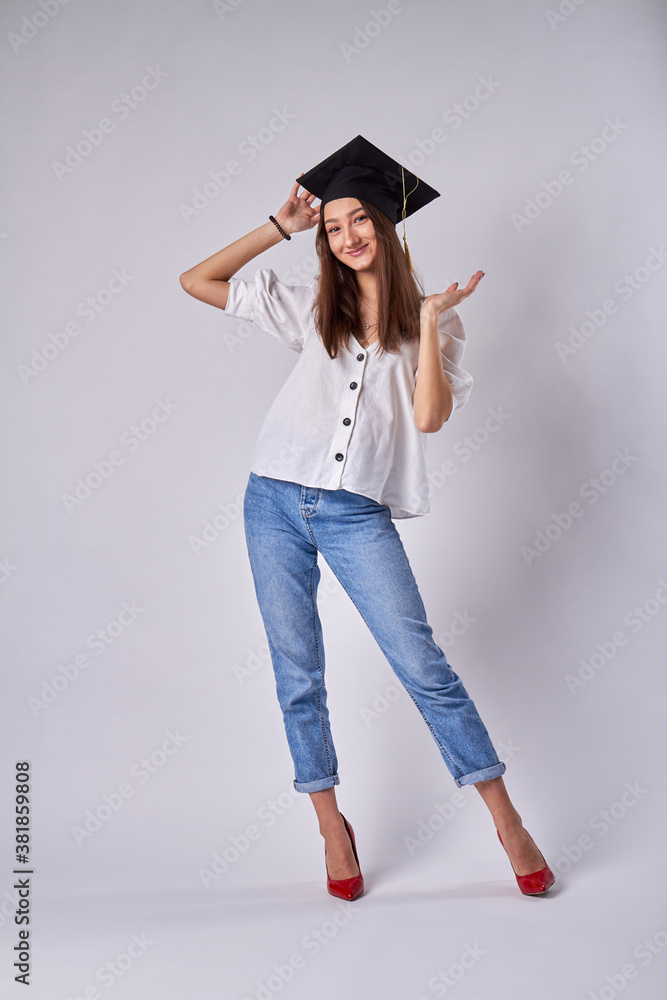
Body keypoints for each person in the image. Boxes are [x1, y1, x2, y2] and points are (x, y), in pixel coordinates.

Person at [180, 135, 555, 900]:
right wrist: (280, 227)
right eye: (333, 225)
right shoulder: (312, 303)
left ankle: (506, 820)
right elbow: (196, 281)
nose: (346, 235)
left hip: (355, 515)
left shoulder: (434, 322)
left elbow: (429, 418)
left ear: (385, 224)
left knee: (422, 667)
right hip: (271, 500)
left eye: (358, 219)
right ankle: (330, 826)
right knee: (297, 671)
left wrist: (428, 321)